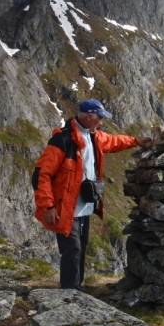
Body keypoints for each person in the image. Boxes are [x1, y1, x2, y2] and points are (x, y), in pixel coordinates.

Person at [32, 99, 150, 290]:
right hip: (65, 209)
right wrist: (47, 206)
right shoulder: (63, 140)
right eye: (99, 119)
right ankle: (70, 292)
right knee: (73, 249)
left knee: (82, 245)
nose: (101, 123)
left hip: (85, 206)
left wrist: (136, 141)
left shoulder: (94, 136)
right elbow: (41, 175)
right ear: (89, 116)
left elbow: (114, 141)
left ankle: (76, 287)